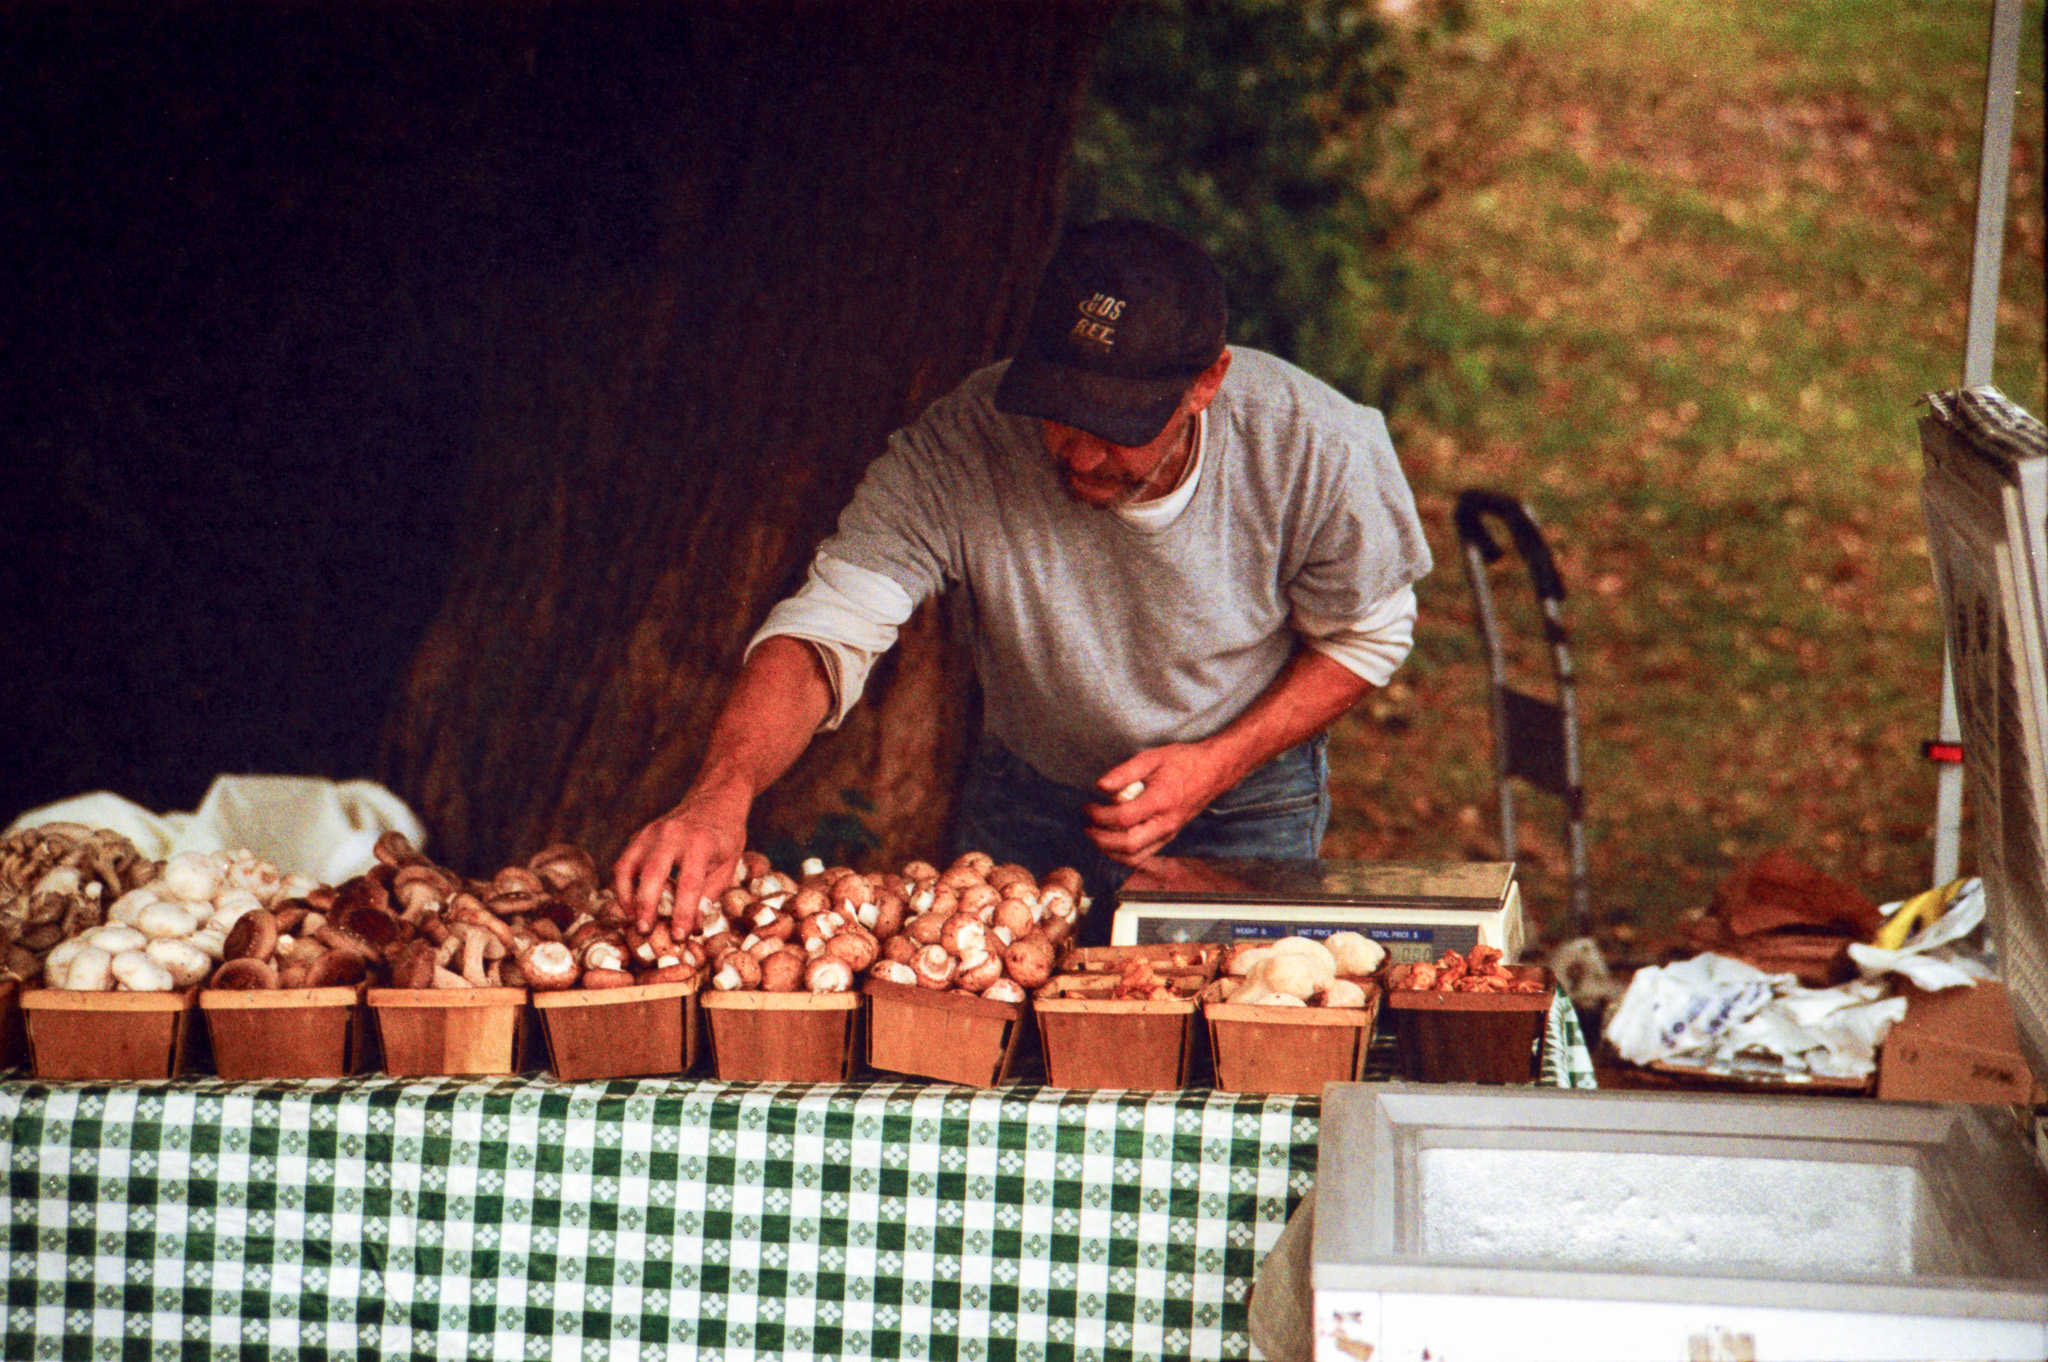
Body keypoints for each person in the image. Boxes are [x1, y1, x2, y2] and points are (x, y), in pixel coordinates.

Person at [614, 218, 1431, 942]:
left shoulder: (1315, 446)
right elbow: (829, 624)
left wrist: (1216, 764)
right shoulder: (964, 442)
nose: (1076, 456)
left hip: (1243, 802)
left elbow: (1369, 634)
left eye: (1115, 429)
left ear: (1206, 384)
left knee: (1240, 1056)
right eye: (1058, 412)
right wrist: (721, 792)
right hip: (1030, 796)